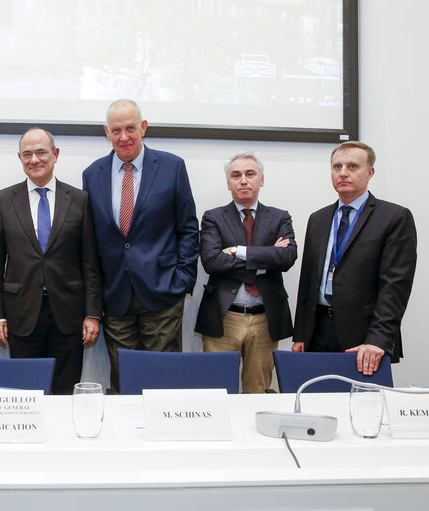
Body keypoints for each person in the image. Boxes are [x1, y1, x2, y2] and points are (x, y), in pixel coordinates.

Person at [82, 99, 199, 393]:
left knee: (163, 379)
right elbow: (92, 240)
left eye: (130, 128)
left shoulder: (172, 167)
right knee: (124, 381)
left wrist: (183, 280)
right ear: (106, 132)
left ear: (143, 128)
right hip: (116, 297)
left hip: (162, 293)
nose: (124, 137)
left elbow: (187, 228)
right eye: (116, 130)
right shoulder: (92, 174)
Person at [0, 127, 103, 395]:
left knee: (65, 392)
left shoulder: (79, 199)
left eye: (41, 152)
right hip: (21, 314)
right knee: (26, 393)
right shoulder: (3, 200)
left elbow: (90, 264)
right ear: (20, 158)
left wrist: (92, 313)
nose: (34, 159)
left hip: (69, 313)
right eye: (27, 154)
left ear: (55, 154)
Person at [293, 141, 417, 375]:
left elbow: (395, 287)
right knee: (316, 403)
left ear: (370, 173)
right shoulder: (318, 219)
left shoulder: (394, 218)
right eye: (337, 167)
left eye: (352, 166)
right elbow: (308, 280)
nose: (343, 173)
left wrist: (378, 339)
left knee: (362, 407)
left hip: (364, 337)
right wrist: (301, 334)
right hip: (317, 332)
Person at [195, 152, 297, 393]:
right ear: (228, 182)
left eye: (250, 174)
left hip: (265, 319)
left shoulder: (280, 217)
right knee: (219, 390)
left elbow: (286, 257)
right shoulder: (213, 217)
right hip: (224, 317)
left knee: (258, 391)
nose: (243, 180)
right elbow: (212, 261)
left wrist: (238, 251)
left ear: (261, 179)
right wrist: (266, 256)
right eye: (236, 175)